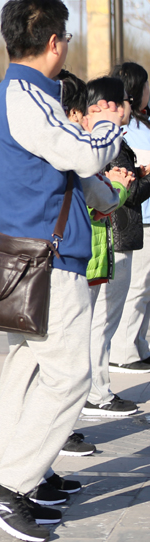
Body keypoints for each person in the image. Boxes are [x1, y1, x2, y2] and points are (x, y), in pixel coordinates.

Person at [0, 0, 123, 542]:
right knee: (69, 376)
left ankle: (17, 476)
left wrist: (105, 194)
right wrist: (109, 125)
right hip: (46, 258)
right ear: (55, 41)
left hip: (32, 255)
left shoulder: (21, 95)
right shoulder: (26, 96)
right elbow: (83, 154)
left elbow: (66, 171)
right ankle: (7, 488)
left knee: (29, 373)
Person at [81, 74, 150, 418]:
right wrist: (141, 178)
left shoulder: (113, 143)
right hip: (112, 237)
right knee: (102, 322)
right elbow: (122, 193)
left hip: (113, 236)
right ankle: (97, 393)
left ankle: (97, 389)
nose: (127, 106)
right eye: (122, 100)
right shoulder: (106, 145)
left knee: (103, 320)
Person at [113, 62, 150, 374]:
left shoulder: (143, 124)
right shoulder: (130, 132)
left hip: (146, 215)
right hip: (141, 217)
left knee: (144, 287)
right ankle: (124, 351)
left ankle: (138, 344)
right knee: (137, 286)